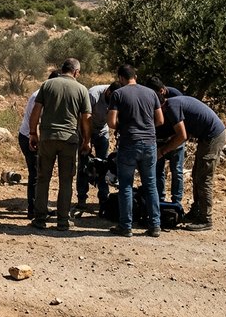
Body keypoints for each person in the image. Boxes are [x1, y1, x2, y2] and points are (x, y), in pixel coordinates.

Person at [28, 58, 92, 231]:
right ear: (76, 72)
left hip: (47, 138)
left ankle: (40, 219)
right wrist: (87, 141)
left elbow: (36, 110)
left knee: (42, 179)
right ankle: (63, 221)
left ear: (62, 69)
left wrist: (33, 133)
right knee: (66, 181)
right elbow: (86, 118)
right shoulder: (81, 89)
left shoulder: (47, 85)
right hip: (69, 140)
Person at [151, 94, 226, 231]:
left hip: (213, 136)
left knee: (204, 178)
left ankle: (206, 219)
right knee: (196, 174)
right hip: (207, 137)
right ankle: (196, 211)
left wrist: (162, 151)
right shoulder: (172, 104)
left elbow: (182, 136)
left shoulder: (172, 107)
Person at [106, 64, 163, 237]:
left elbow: (111, 122)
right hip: (149, 144)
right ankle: (155, 225)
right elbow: (160, 120)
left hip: (129, 143)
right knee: (150, 184)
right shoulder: (151, 93)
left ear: (121, 78)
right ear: (135, 76)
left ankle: (126, 226)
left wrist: (124, 127)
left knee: (125, 185)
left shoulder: (118, 94)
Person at [18, 69, 61, 219]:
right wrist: (34, 138)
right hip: (29, 137)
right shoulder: (38, 96)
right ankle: (34, 210)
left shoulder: (49, 95)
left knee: (41, 173)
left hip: (38, 138)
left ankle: (39, 207)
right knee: (36, 174)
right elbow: (33, 121)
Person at [75, 81, 121, 215]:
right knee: (84, 165)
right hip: (86, 130)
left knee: (104, 165)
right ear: (108, 92)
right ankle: (82, 199)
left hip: (102, 131)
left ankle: (104, 199)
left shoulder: (118, 96)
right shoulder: (93, 94)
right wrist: (86, 140)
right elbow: (84, 118)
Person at [145, 76, 185, 204]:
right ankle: (159, 199)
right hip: (158, 137)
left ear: (162, 91)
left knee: (176, 170)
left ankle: (176, 201)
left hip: (174, 137)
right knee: (158, 170)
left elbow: (182, 123)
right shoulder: (150, 96)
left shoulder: (176, 96)